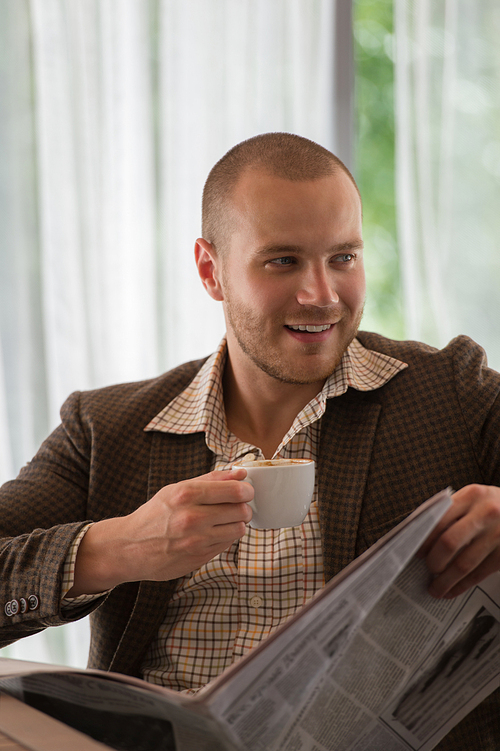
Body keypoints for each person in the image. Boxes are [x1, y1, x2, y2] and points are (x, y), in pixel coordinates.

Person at [1, 132, 500, 749]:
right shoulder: (106, 429)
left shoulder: (450, 392)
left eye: (343, 257)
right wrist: (118, 547)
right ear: (211, 270)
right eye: (283, 261)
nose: (322, 295)